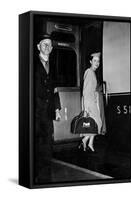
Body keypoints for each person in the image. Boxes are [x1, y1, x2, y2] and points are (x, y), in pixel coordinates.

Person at [34, 34, 61, 183]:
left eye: (50, 45)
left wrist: (57, 109)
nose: (47, 47)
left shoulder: (53, 65)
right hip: (34, 112)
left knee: (46, 146)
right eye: (44, 44)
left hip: (48, 113)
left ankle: (44, 179)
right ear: (38, 47)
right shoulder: (31, 64)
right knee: (34, 144)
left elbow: (55, 89)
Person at [80, 52, 106, 152]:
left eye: (98, 61)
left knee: (95, 124)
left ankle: (89, 143)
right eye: (94, 61)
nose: (97, 63)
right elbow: (85, 91)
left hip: (92, 102)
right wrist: (86, 107)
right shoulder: (89, 72)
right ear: (90, 61)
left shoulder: (92, 72)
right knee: (97, 123)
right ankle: (85, 140)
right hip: (89, 102)